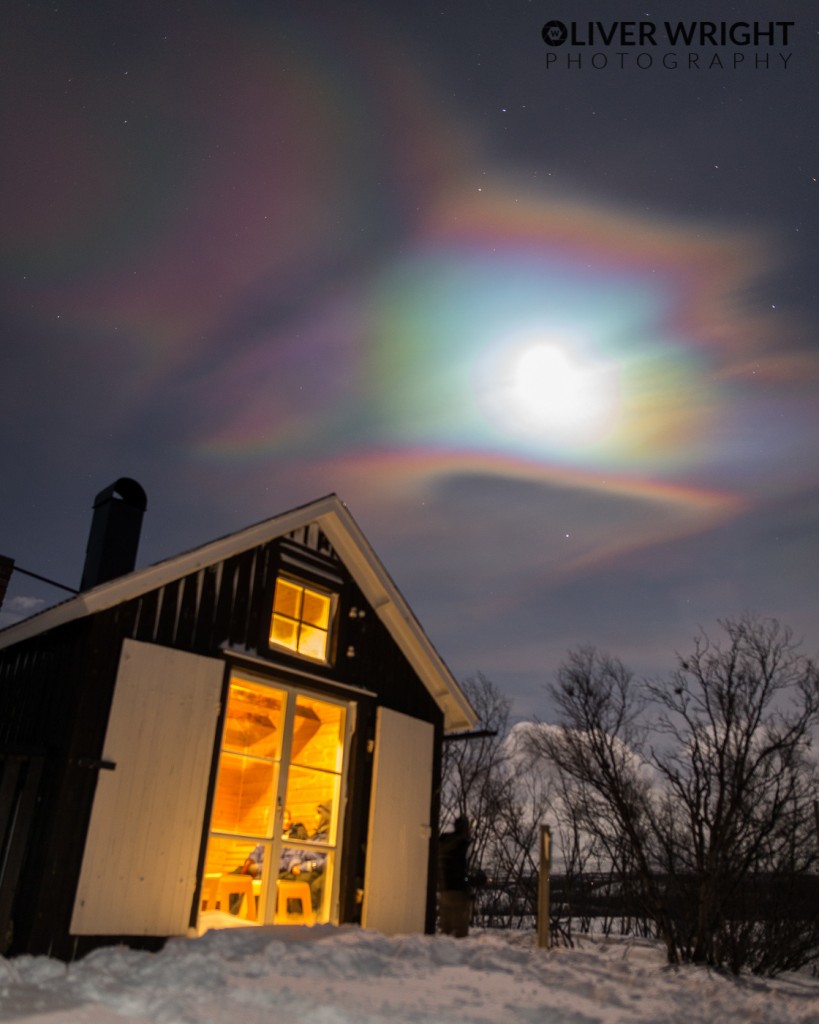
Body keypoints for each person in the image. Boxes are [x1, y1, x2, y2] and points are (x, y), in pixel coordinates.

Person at [280, 800, 332, 910]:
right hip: (299, 870)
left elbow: (327, 861)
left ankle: (299, 919)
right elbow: (298, 852)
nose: (315, 817)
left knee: (299, 886)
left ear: (327, 816)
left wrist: (306, 866)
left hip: (312, 872)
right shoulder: (314, 836)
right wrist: (295, 865)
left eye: (319, 813)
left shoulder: (330, 838)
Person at [437, 815, 472, 937]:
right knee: (460, 933)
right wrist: (471, 882)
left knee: (446, 931)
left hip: (444, 891)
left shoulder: (443, 842)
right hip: (458, 893)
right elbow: (460, 872)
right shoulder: (460, 844)